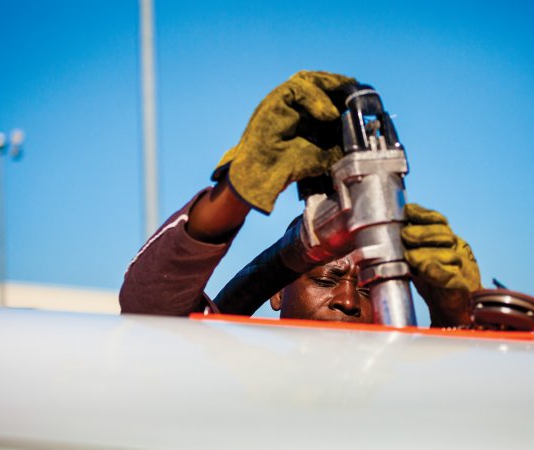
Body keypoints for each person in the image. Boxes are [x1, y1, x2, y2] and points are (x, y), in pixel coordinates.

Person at [119, 71, 481, 328]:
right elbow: (152, 313)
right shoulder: (227, 370)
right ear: (278, 294)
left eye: (371, 288)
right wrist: (239, 191)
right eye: (325, 281)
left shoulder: (403, 379)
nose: (349, 302)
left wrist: (455, 318)